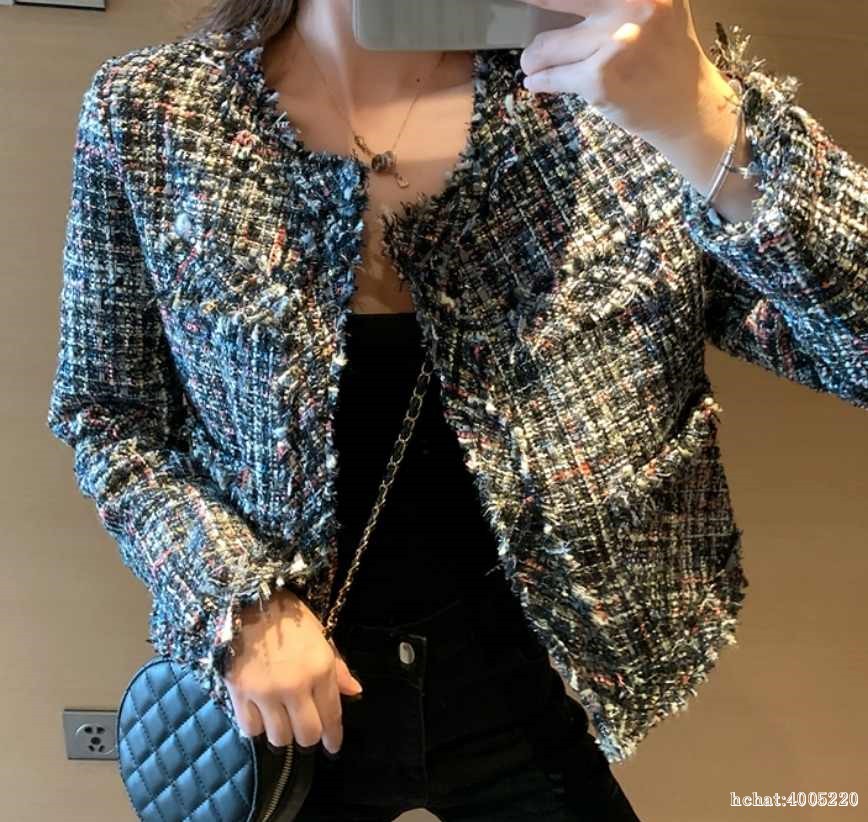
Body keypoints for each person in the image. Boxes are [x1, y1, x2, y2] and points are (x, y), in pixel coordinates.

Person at [46, 0, 867, 819]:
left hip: (530, 683)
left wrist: (705, 123)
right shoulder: (153, 114)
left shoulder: (615, 96)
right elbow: (107, 415)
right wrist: (237, 600)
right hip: (282, 715)